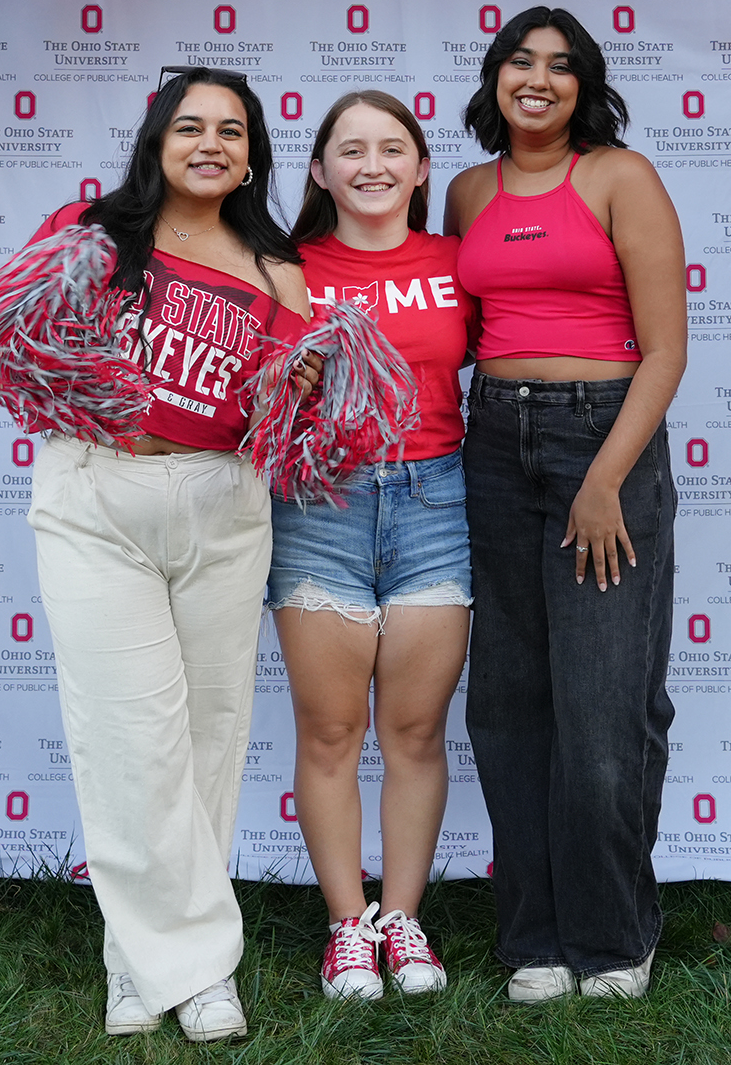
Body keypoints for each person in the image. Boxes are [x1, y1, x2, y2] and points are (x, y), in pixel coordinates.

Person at [25, 67, 314, 1042]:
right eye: (189, 126)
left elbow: (281, 420)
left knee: (207, 737)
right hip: (95, 495)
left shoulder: (278, 272)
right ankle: (190, 970)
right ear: (155, 140)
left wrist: (301, 385)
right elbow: (22, 346)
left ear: (249, 157)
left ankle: (141, 964)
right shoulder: (98, 233)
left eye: (231, 132)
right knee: (125, 736)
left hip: (221, 503)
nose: (209, 144)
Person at [445, 6, 687, 1002]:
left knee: (603, 707)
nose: (535, 79)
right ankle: (534, 938)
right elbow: (452, 331)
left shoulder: (620, 178)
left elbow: (664, 349)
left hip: (605, 440)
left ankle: (611, 936)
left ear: (584, 87)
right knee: (508, 703)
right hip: (494, 440)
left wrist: (602, 480)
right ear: (494, 79)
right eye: (518, 61)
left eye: (558, 66)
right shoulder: (465, 191)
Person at [271, 91, 475, 1001]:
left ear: (421, 168)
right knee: (330, 729)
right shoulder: (287, 268)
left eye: (393, 148)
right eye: (349, 149)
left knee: (415, 729)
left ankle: (405, 919)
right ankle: (346, 927)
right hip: (322, 504)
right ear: (319, 170)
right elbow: (261, 399)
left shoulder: (456, 261)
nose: (372, 165)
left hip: (437, 495)